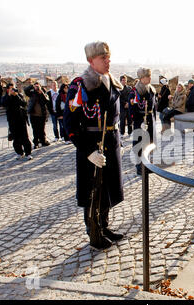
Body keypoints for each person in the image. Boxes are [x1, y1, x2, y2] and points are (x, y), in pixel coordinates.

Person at [64, 41, 124, 250]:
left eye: (108, 57)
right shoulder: (80, 85)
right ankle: (94, 233)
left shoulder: (112, 82)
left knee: (107, 188)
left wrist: (119, 141)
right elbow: (70, 124)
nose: (108, 61)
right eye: (103, 58)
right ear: (91, 61)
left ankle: (104, 226)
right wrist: (87, 151)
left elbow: (115, 117)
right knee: (93, 192)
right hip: (91, 147)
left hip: (111, 143)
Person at [128, 68, 156, 175]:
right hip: (139, 121)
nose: (149, 78)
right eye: (147, 76)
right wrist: (138, 121)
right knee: (139, 144)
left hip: (149, 121)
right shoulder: (134, 92)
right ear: (141, 78)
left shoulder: (151, 90)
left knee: (148, 143)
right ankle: (139, 166)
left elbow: (153, 107)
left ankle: (147, 164)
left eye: (149, 76)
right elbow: (131, 110)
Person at [5, 86, 33, 161]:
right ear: (8, 89)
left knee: (25, 137)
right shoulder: (6, 97)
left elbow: (24, 104)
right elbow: (4, 104)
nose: (13, 90)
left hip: (21, 119)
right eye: (11, 88)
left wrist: (16, 95)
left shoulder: (19, 95)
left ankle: (28, 153)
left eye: (13, 88)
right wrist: (9, 95)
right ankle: (19, 152)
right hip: (12, 121)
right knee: (16, 138)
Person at [24, 81, 50, 149]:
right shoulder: (32, 93)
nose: (37, 88)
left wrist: (41, 92)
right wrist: (32, 86)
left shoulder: (43, 92)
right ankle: (36, 142)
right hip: (33, 114)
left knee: (42, 129)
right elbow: (26, 90)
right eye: (36, 86)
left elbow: (46, 100)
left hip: (42, 114)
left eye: (38, 86)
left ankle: (43, 141)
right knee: (35, 129)